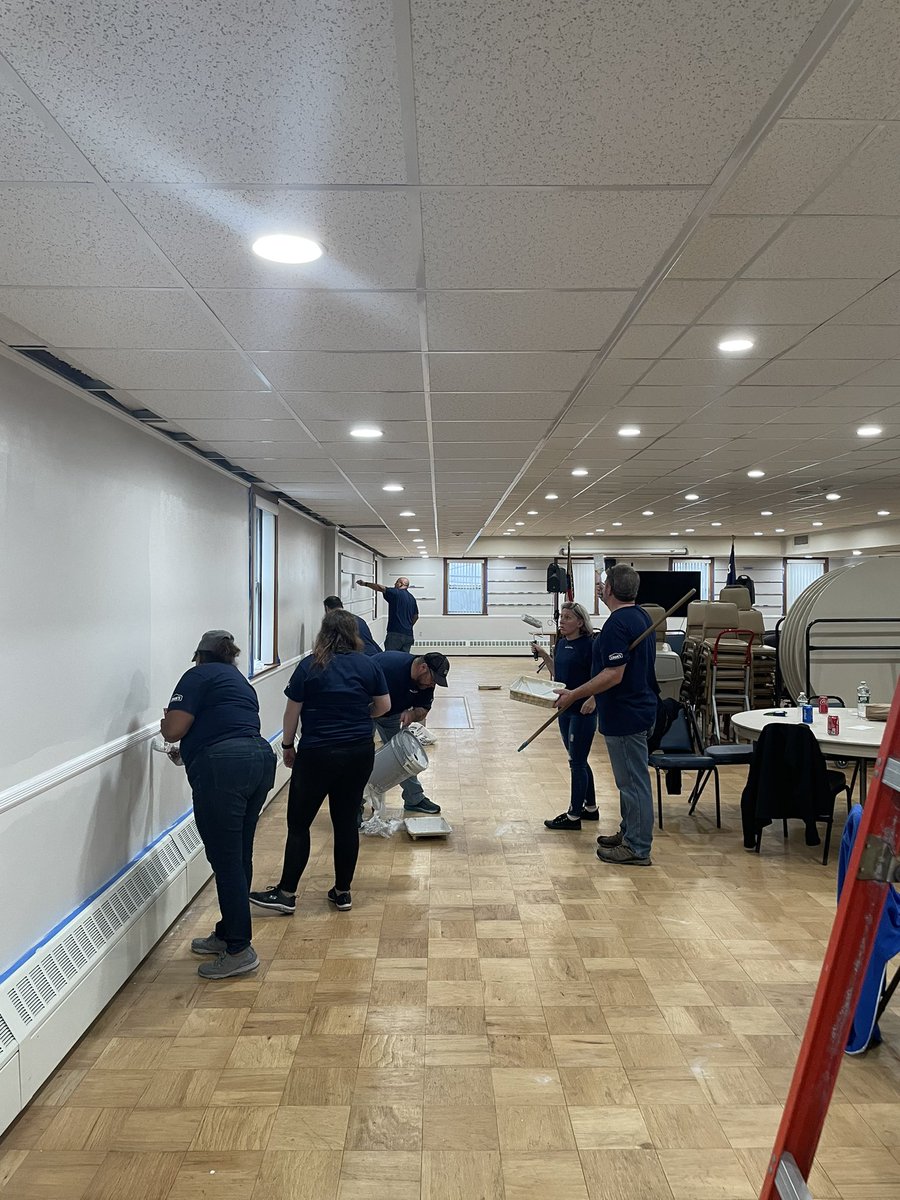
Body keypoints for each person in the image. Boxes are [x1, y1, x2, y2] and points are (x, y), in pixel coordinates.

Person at [249, 610, 390, 916]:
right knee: (346, 822)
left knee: (299, 824)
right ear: (353, 633)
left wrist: (287, 745)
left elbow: (292, 713)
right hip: (357, 753)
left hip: (317, 753)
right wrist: (357, 717)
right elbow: (384, 706)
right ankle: (343, 892)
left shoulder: (310, 665)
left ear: (324, 632)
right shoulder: (368, 665)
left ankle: (286, 893)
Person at [160, 630, 277, 978]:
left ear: (200, 655)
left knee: (225, 861)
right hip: (259, 760)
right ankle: (228, 932)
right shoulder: (240, 681)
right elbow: (226, 726)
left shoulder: (196, 676)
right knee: (239, 855)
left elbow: (174, 729)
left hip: (223, 771)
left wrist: (168, 721)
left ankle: (240, 949)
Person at [554, 565, 657, 866]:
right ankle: (628, 832)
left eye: (602, 584)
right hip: (637, 709)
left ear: (610, 589)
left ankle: (637, 847)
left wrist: (576, 694)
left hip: (627, 714)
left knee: (633, 783)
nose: (600, 588)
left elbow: (613, 674)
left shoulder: (618, 624)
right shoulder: (640, 616)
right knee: (629, 781)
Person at [533, 602, 599, 830]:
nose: (562, 621)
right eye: (561, 616)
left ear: (580, 623)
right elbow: (558, 674)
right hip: (564, 710)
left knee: (577, 762)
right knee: (578, 758)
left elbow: (600, 677)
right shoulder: (561, 644)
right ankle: (591, 808)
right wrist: (544, 655)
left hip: (583, 710)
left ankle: (573, 816)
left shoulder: (590, 645)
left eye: (568, 617)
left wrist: (594, 699)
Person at [373, 649, 450, 814]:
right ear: (423, 668)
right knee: (360, 757)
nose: (432, 685)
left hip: (390, 715)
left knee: (403, 757)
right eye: (433, 680)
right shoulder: (388, 667)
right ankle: (355, 804)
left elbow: (423, 708)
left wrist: (412, 714)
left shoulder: (426, 683)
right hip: (365, 710)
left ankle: (414, 799)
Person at [357, 576, 418, 652]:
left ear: (401, 584)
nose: (394, 584)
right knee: (403, 659)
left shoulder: (396, 593)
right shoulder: (412, 598)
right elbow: (416, 616)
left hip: (395, 634)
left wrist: (365, 583)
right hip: (409, 635)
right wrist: (408, 625)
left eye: (396, 582)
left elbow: (381, 588)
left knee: (390, 658)